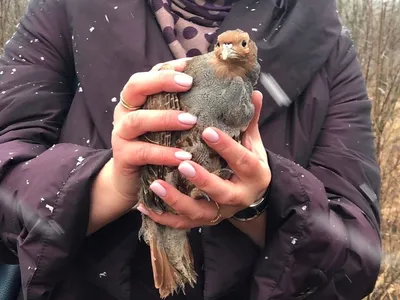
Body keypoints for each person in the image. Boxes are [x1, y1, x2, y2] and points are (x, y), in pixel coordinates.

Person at [0, 0, 382, 299]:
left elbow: (356, 260)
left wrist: (261, 204)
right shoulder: (63, 10)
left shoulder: (327, 43)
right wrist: (108, 186)